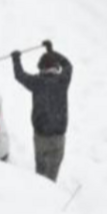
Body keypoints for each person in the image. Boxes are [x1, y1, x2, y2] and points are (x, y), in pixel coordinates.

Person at [12, 40, 73, 181]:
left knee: (40, 177)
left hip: (41, 138)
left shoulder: (37, 82)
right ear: (56, 67)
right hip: (59, 138)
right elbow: (68, 65)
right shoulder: (63, 80)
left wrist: (16, 59)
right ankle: (50, 197)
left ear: (41, 68)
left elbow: (19, 75)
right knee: (52, 179)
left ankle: (40, 196)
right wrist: (51, 52)